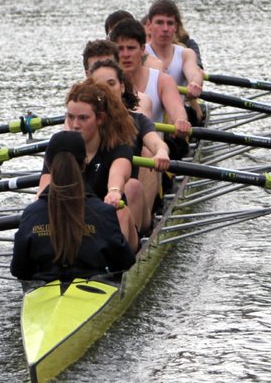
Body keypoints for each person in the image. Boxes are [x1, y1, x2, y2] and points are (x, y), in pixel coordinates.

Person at [11, 131, 135, 282]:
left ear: (49, 166)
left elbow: (18, 269)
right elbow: (125, 262)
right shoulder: (103, 212)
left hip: (43, 290)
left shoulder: (32, 213)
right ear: (84, 164)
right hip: (95, 288)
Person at [40, 79, 140, 251]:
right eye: (70, 117)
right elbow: (45, 185)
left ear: (100, 118)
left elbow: (118, 173)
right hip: (72, 225)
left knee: (121, 212)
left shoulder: (118, 149)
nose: (75, 125)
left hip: (107, 226)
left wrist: (114, 192)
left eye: (83, 118)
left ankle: (117, 271)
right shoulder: (60, 149)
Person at [88, 58, 171, 235]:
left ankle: (124, 250)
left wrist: (161, 153)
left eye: (111, 84)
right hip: (92, 206)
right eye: (99, 86)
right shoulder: (83, 123)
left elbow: (157, 144)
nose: (106, 91)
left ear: (122, 87)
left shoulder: (137, 121)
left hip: (130, 206)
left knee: (132, 185)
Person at [108, 18, 192, 138]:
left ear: (143, 50)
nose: (126, 54)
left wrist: (180, 120)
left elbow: (177, 109)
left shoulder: (162, 81)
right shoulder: (106, 82)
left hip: (153, 152)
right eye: (120, 49)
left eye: (131, 48)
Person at [144, 0, 205, 124]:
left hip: (175, 124)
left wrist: (194, 84)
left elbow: (194, 72)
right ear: (149, 26)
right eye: (159, 23)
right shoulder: (140, 53)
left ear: (175, 27)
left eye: (170, 23)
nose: (165, 28)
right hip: (147, 123)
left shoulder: (185, 54)